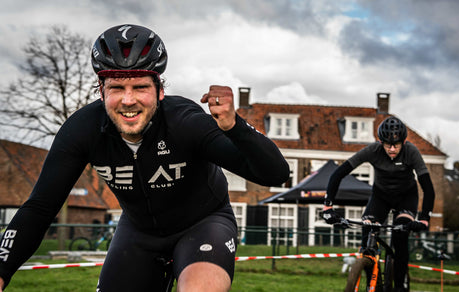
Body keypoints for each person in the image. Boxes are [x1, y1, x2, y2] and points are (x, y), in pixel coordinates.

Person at [0, 24, 289, 292]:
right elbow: (39, 208)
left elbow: (275, 174)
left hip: (204, 224)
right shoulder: (82, 130)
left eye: (140, 87)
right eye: (116, 88)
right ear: (101, 92)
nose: (128, 100)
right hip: (138, 231)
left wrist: (235, 127)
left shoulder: (185, 122)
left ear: (160, 91)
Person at [322, 116, 435, 292]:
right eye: (387, 145)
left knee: (400, 233)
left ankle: (399, 285)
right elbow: (338, 174)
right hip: (381, 196)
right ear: (380, 142)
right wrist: (327, 207)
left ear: (403, 142)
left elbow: (428, 187)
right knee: (367, 231)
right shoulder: (372, 150)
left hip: (406, 197)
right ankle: (371, 280)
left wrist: (424, 218)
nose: (391, 149)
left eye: (396, 145)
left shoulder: (411, 151)